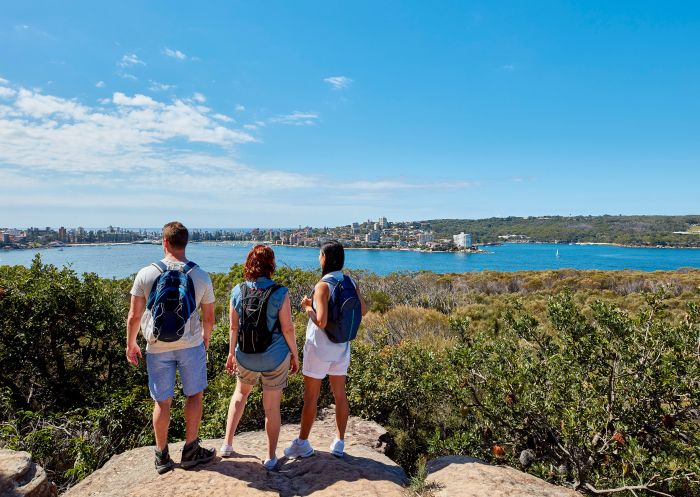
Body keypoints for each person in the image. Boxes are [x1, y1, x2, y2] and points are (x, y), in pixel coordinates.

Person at [126, 221, 216, 474]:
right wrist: (205, 339)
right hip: (191, 345)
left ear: (164, 242)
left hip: (156, 347)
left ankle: (162, 456)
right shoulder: (200, 275)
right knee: (194, 395)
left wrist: (131, 343)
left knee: (162, 402)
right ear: (185, 243)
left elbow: (134, 316)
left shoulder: (146, 273)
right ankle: (190, 450)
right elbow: (209, 317)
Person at [284, 240, 367, 459]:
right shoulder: (350, 281)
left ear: (325, 258)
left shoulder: (323, 285)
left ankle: (302, 443)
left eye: (320, 254)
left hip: (319, 348)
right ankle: (339, 441)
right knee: (340, 395)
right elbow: (364, 310)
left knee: (311, 397)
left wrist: (308, 307)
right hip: (341, 346)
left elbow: (320, 321)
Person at [221, 244, 299, 470]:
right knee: (272, 407)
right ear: (270, 265)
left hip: (245, 355)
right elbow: (288, 329)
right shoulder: (280, 292)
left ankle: (227, 444)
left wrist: (230, 353)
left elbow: (233, 328)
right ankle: (270, 457)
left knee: (240, 394)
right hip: (274, 357)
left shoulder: (237, 290)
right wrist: (294, 354)